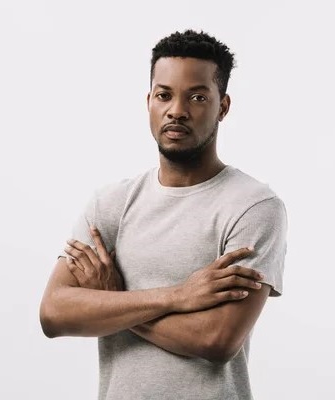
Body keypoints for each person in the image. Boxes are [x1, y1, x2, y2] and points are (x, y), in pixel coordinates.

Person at [39, 29, 288, 400]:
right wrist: (177, 296)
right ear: (149, 101)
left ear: (223, 106)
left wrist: (115, 300)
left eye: (197, 97)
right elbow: (54, 313)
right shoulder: (112, 204)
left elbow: (217, 339)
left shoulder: (252, 206)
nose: (177, 110)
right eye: (164, 95)